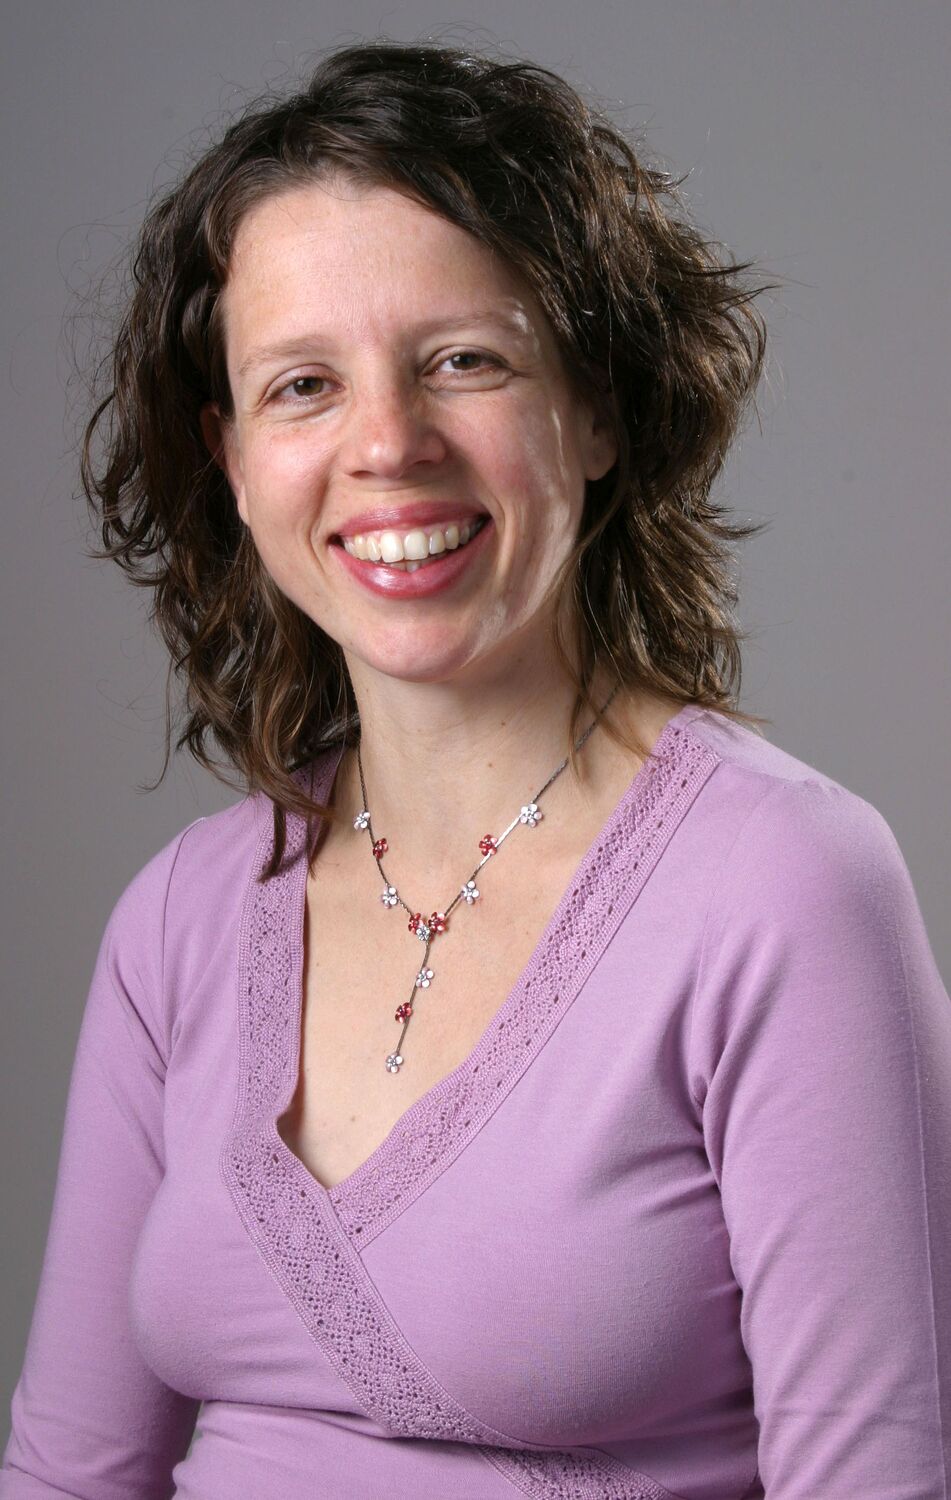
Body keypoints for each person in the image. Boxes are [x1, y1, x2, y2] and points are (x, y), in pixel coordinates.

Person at [2, 39, 949, 1500]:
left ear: (597, 407)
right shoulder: (180, 920)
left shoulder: (783, 888)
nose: (388, 444)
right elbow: (66, 1475)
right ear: (235, 459)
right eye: (303, 385)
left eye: (465, 360)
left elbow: (878, 1476)